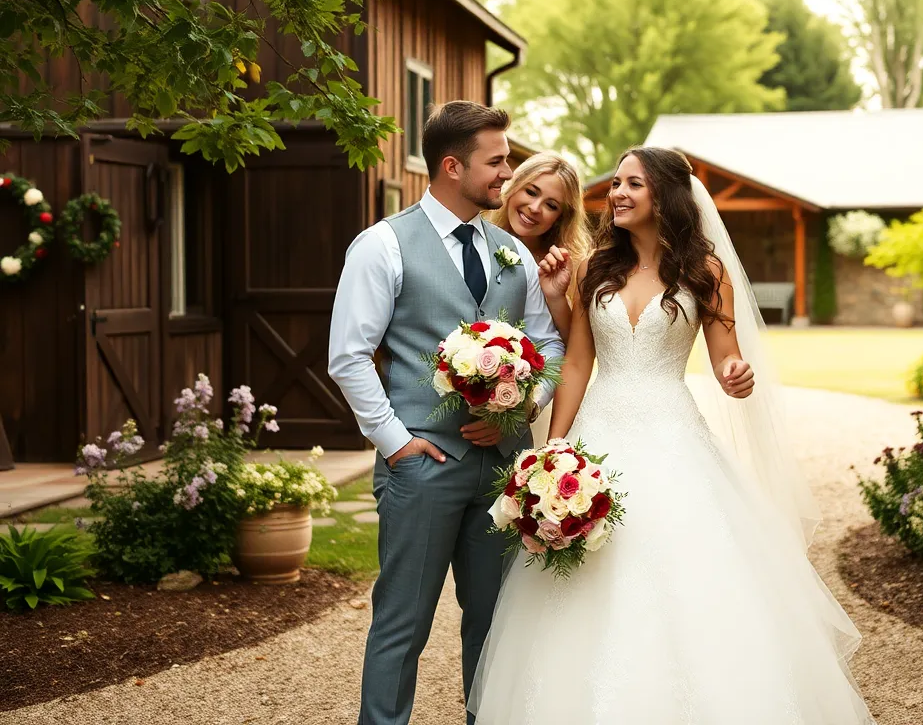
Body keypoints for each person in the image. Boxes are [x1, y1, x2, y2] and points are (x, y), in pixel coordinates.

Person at [468, 147, 875, 724]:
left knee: (687, 570)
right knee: (582, 572)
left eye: (634, 184)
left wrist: (736, 376)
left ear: (666, 195)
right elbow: (579, 363)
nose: (618, 194)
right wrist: (552, 450)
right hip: (597, 435)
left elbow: (726, 359)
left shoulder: (706, 272)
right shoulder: (594, 268)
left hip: (673, 436)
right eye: (617, 184)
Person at [327, 101, 565, 725]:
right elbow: (349, 356)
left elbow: (550, 346)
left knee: (494, 624)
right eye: (497, 161)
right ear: (452, 166)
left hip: (500, 471)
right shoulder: (382, 245)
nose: (507, 174)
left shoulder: (512, 251)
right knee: (402, 622)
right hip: (421, 468)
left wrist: (524, 404)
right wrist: (395, 443)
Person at [485, 151, 590, 443]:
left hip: (529, 403)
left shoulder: (566, 265)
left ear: (560, 217)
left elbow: (575, 347)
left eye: (551, 205)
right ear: (514, 185)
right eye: (531, 192)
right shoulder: (474, 236)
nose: (534, 208)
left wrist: (555, 297)